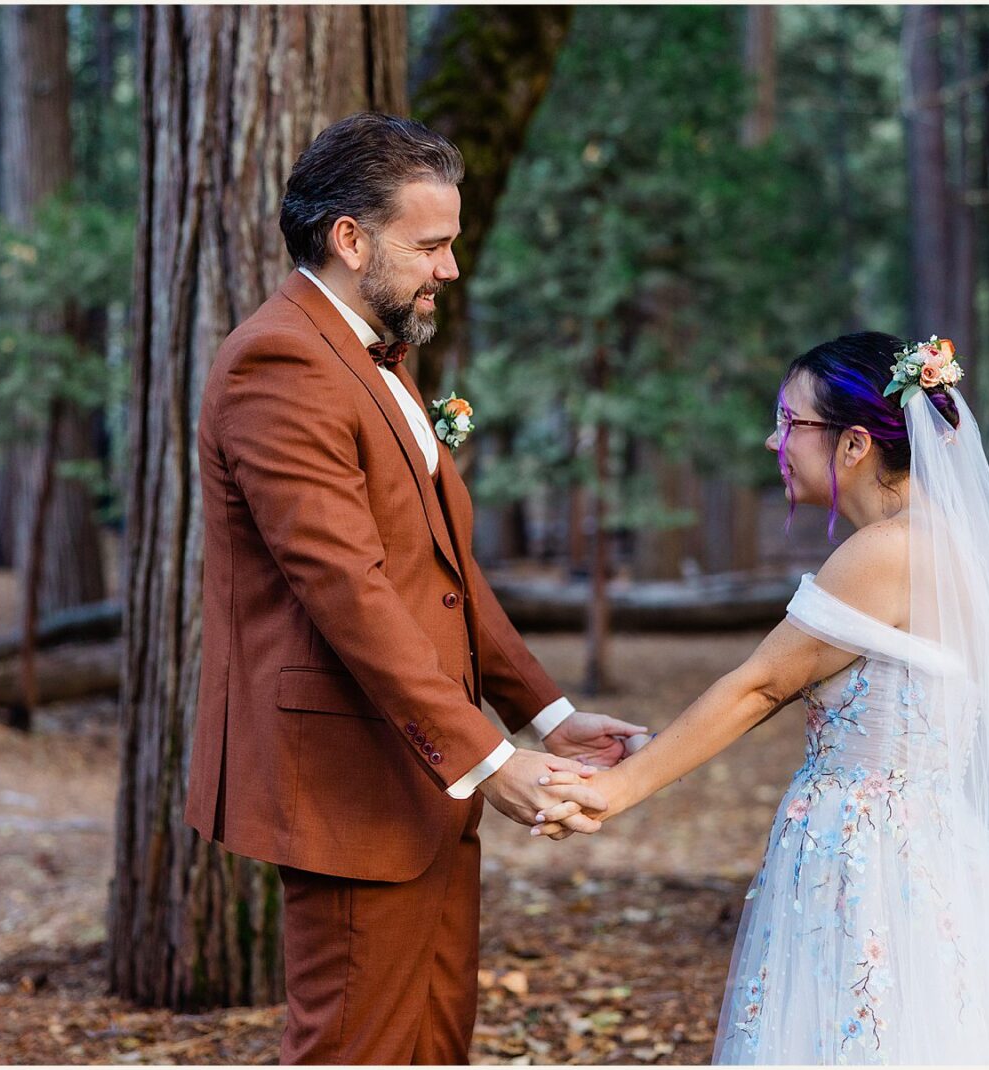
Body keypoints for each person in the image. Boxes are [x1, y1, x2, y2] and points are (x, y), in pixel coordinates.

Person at [183, 112, 645, 1064]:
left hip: (418, 776)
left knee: (435, 1039)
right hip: (348, 779)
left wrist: (546, 716)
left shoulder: (375, 357)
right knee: (357, 1046)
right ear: (350, 240)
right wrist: (488, 759)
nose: (450, 269)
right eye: (431, 244)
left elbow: (440, 569)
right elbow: (346, 590)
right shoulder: (282, 364)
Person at [534, 332, 989, 1064]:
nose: (773, 439)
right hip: (929, 850)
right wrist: (650, 750)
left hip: (869, 863)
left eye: (789, 421)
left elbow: (761, 685)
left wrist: (615, 792)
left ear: (852, 445)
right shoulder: (948, 543)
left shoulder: (886, 553)